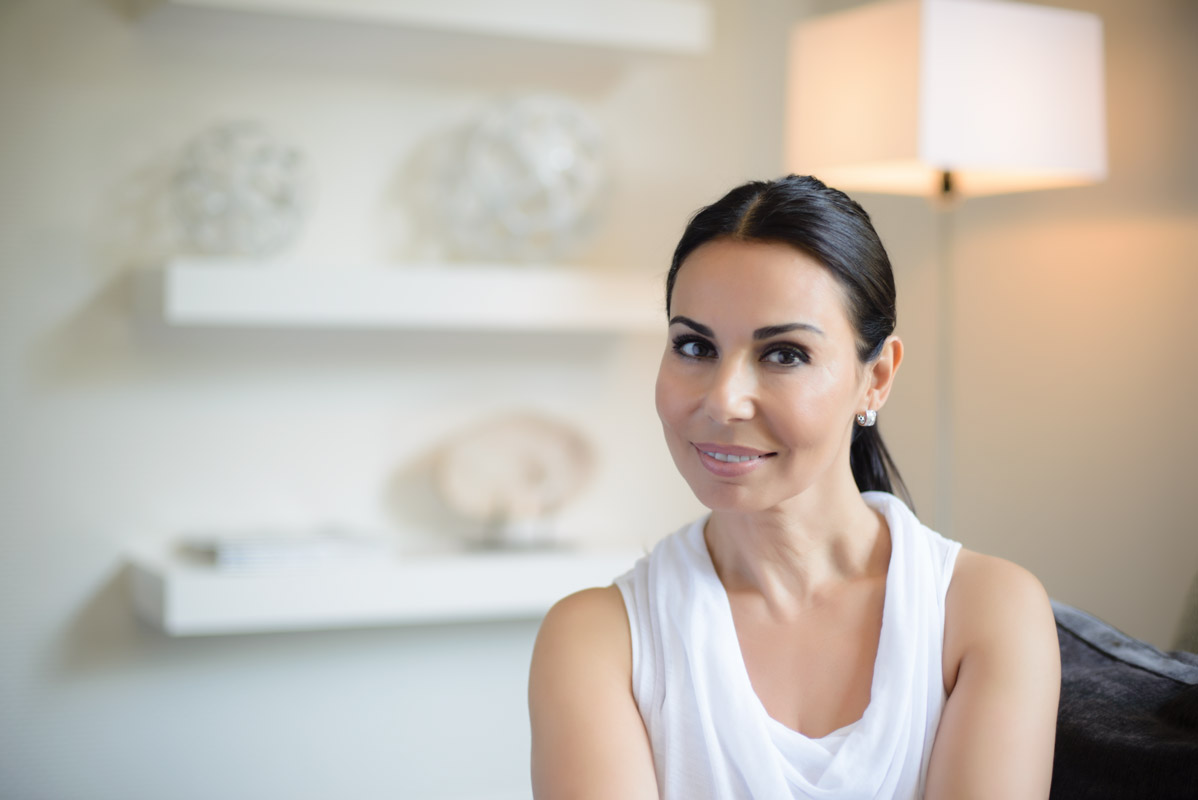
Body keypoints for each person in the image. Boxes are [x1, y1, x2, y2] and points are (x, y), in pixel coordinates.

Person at [528, 175, 1060, 799]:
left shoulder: (985, 613)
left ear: (876, 378)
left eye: (784, 354)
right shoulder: (597, 641)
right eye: (695, 346)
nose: (724, 401)